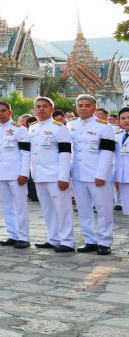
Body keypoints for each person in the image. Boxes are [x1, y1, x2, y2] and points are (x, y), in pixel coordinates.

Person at [68, 94, 116, 255]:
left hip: (98, 175)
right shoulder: (70, 125)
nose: (83, 108)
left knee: (104, 209)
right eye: (80, 105)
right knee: (83, 209)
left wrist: (101, 174)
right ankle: (90, 240)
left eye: (87, 105)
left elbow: (107, 151)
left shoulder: (104, 126)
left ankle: (105, 241)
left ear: (95, 108)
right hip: (77, 174)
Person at [29, 96, 74, 252]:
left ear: (52, 110)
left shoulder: (59, 128)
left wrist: (64, 176)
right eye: (38, 106)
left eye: (44, 106)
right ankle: (53, 238)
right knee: (48, 209)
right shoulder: (32, 128)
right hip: (39, 175)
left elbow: (65, 154)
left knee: (63, 209)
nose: (41, 109)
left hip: (56, 175)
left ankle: (67, 241)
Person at [0, 101, 31, 248]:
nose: (1, 113)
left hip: (17, 174)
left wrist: (24, 173)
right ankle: (13, 234)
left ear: (10, 112)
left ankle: (24, 237)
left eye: (4, 111)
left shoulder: (20, 130)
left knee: (20, 206)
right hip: (1, 174)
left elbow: (26, 153)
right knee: (7, 206)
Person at [114, 108, 129, 225]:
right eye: (123, 118)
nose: (126, 120)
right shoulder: (118, 135)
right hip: (124, 178)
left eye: (128, 118)